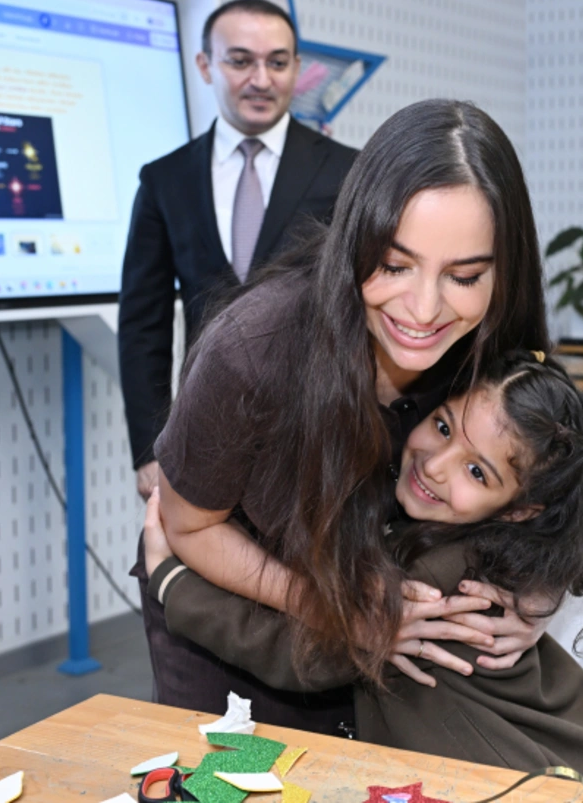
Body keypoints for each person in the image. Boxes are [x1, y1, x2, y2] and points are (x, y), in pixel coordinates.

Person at [139, 99, 552, 734]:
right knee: (239, 776)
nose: (423, 310)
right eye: (393, 266)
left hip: (379, 642)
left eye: (464, 276)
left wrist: (538, 595)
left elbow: (558, 483)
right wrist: (342, 612)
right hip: (232, 628)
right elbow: (187, 528)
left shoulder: (494, 345)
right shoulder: (253, 350)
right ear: (355, 238)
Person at [143, 352, 583, 787]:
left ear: (520, 510)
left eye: (476, 471)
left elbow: (302, 654)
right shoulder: (483, 542)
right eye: (443, 427)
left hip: (524, 782)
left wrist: (171, 579)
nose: (436, 466)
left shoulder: (437, 585)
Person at [118, 0, 357, 500]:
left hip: (318, 434)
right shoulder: (165, 179)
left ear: (296, 68)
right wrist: (149, 449)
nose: (261, 80)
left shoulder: (349, 171)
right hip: (202, 432)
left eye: (277, 62)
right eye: (241, 61)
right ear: (206, 66)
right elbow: (143, 325)